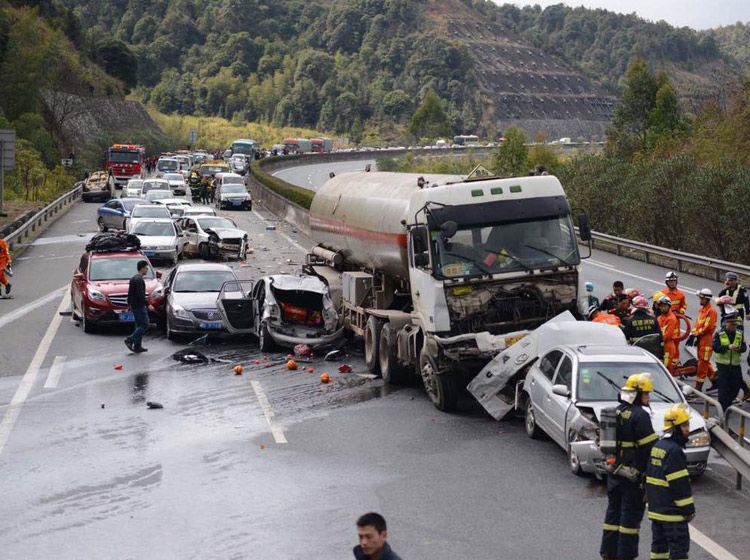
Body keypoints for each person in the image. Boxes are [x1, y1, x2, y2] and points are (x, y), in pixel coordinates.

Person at [600, 373, 656, 560]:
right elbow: (650, 448)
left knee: (613, 514)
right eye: (646, 394)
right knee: (629, 520)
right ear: (638, 394)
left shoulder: (616, 411)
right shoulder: (640, 416)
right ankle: (626, 555)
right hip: (633, 476)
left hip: (614, 473)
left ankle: (608, 552)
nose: (648, 398)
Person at [645, 403, 695, 560]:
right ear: (675, 428)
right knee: (679, 552)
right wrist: (688, 510)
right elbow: (679, 485)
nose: (688, 429)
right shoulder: (674, 451)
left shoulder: (658, 446)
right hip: (672, 514)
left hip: (657, 511)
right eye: (684, 425)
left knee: (659, 550)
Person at [713, 310, 747, 411]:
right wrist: (727, 347)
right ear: (727, 323)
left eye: (735, 324)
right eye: (732, 324)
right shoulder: (719, 333)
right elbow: (715, 347)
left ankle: (728, 403)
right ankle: (722, 410)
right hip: (723, 366)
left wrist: (739, 348)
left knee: (736, 386)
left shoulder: (740, 334)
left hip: (735, 365)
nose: (734, 326)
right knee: (723, 389)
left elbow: (744, 347)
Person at [686, 289, 718, 392]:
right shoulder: (702, 310)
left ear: (707, 299)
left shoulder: (711, 311)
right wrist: (693, 335)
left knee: (702, 365)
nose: (700, 299)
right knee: (704, 362)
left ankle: (698, 388)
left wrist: (696, 334)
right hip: (701, 339)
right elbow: (698, 324)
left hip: (707, 340)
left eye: (702, 298)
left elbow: (707, 327)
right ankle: (715, 382)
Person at [124, 260, 151, 353]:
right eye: (146, 268)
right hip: (139, 306)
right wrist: (148, 304)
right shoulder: (139, 280)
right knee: (145, 325)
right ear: (142, 268)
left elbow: (130, 294)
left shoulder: (133, 278)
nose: (147, 270)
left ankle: (137, 346)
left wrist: (129, 304)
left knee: (139, 325)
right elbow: (140, 295)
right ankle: (130, 339)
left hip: (134, 305)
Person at [657, 296, 681, 374]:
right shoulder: (660, 318)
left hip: (668, 347)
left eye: (664, 306)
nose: (662, 308)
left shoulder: (671, 318)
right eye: (661, 306)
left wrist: (657, 340)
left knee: (665, 369)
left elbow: (668, 335)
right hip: (661, 345)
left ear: (669, 306)